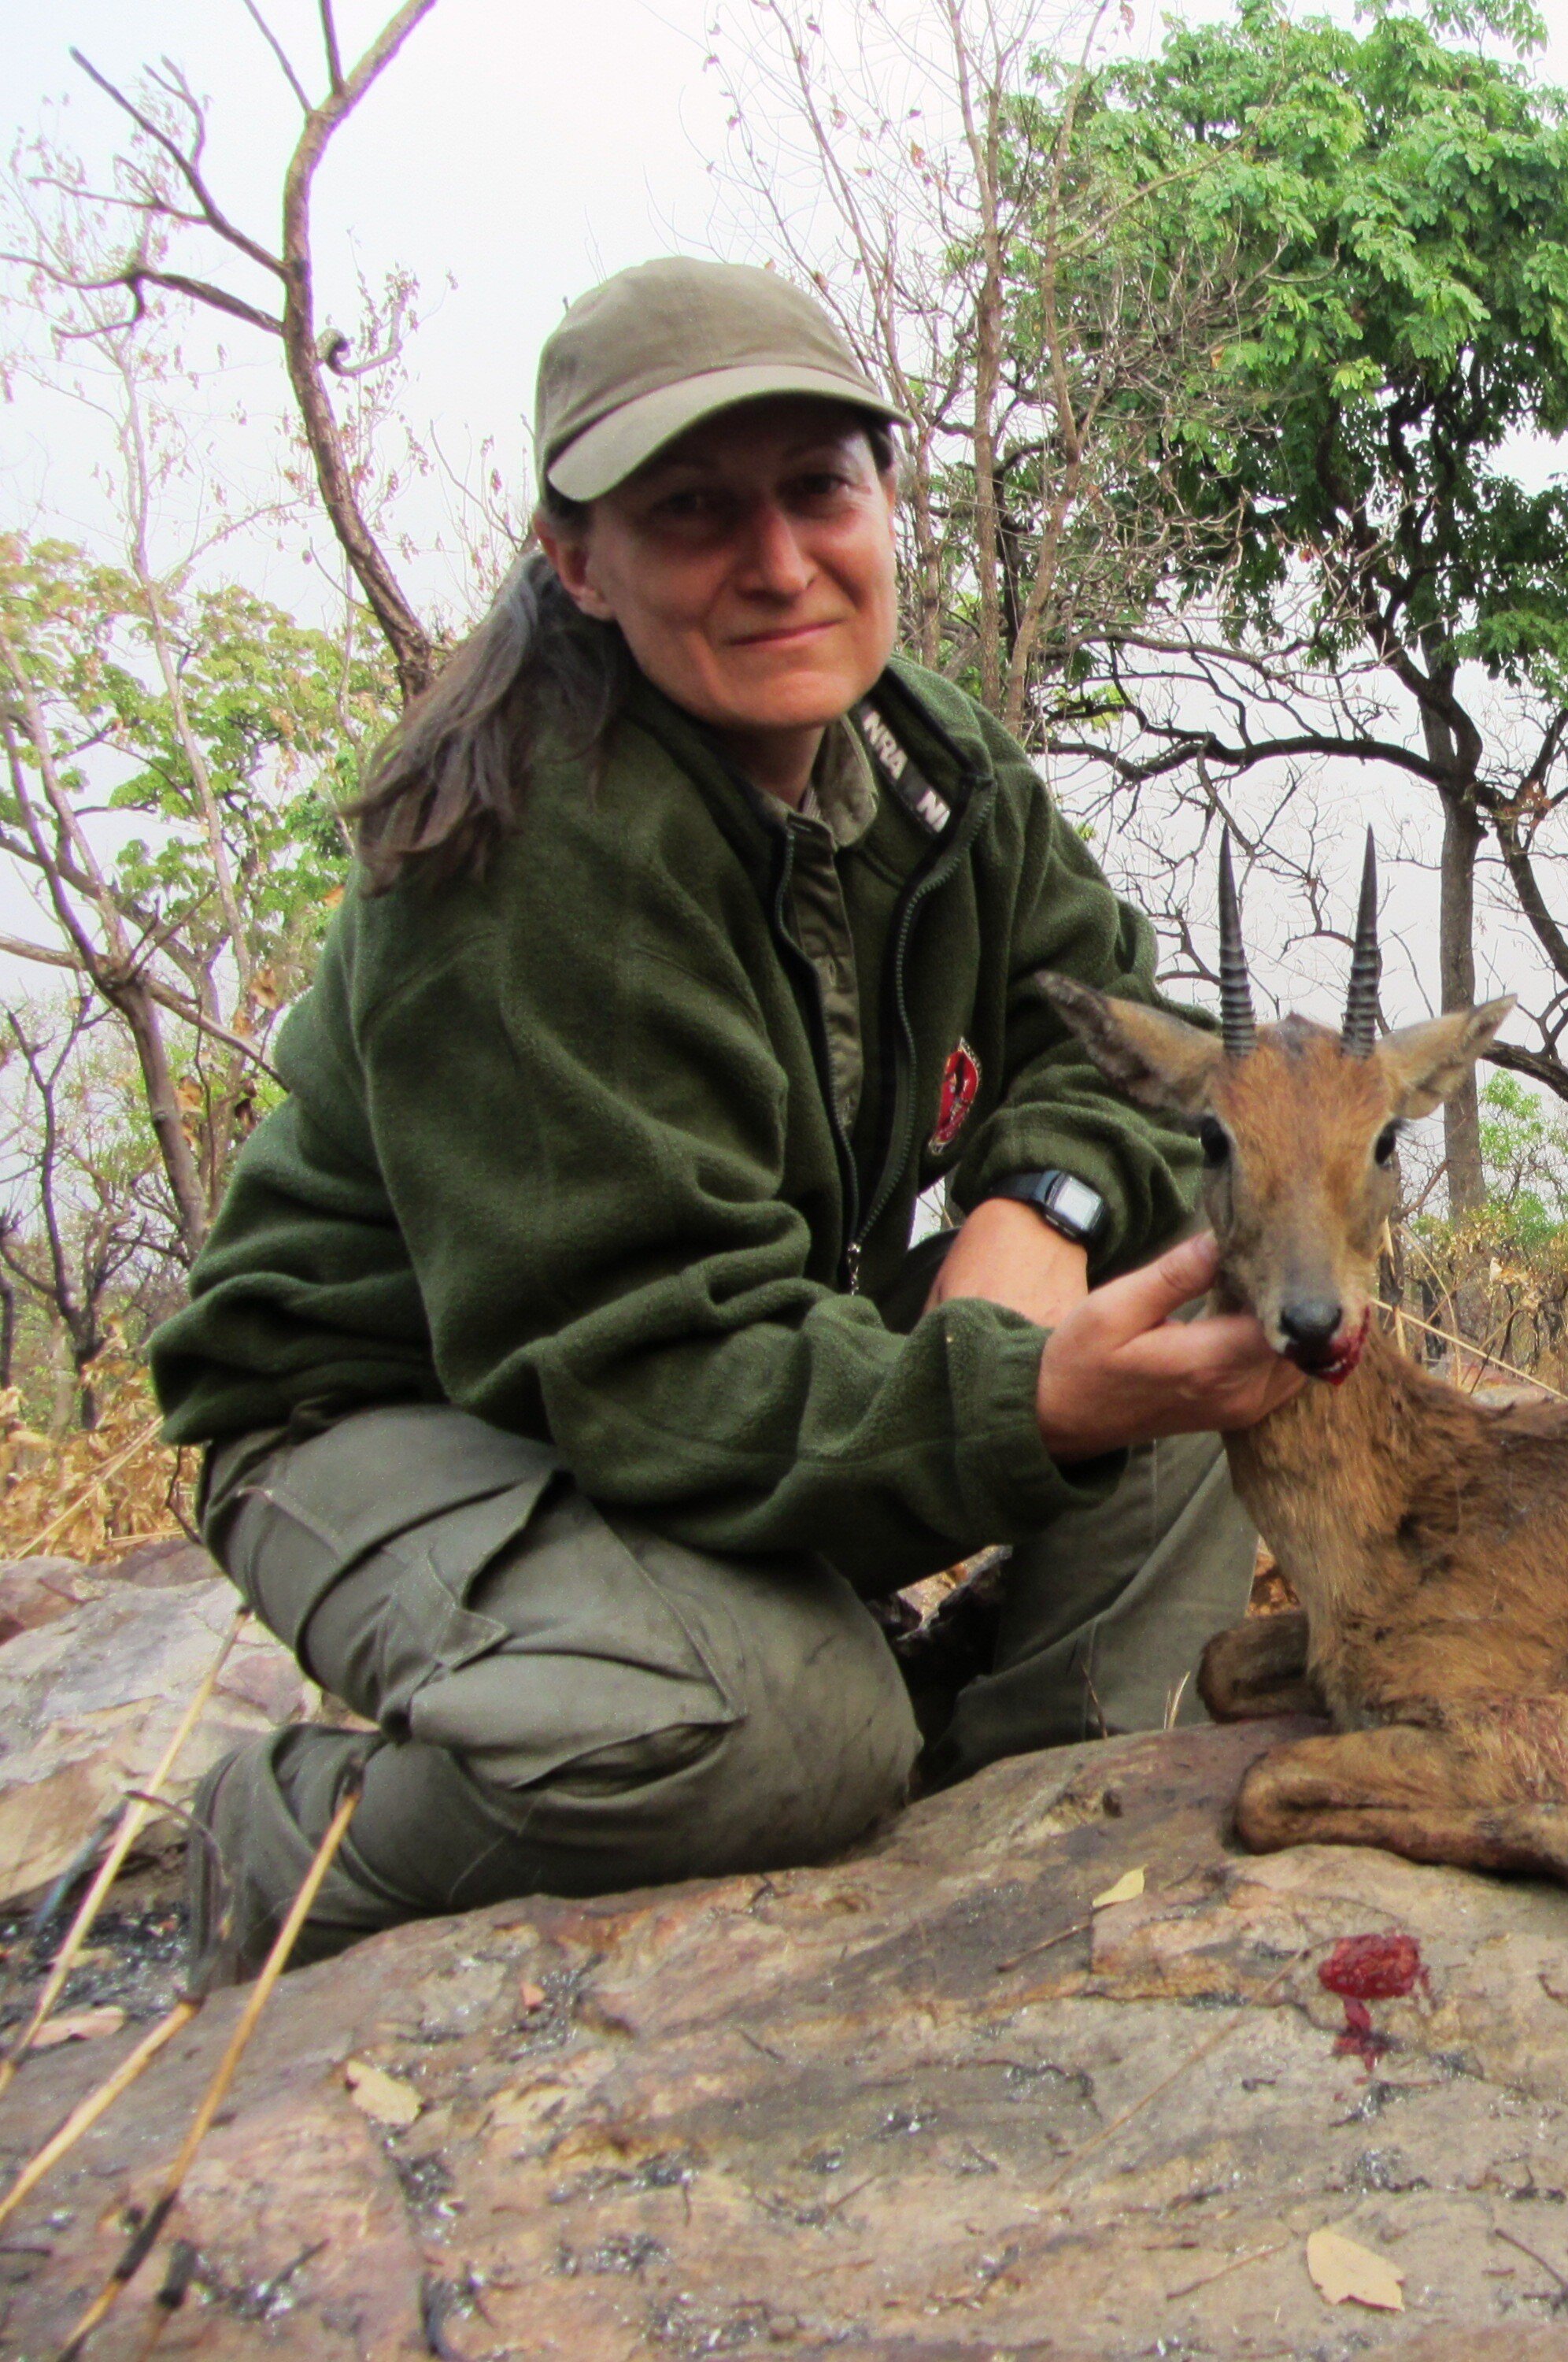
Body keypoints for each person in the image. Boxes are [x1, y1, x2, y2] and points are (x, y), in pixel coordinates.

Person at [148, 257, 1302, 1979]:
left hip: (712, 1349)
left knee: (1235, 1284)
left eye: (816, 490)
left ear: (884, 500)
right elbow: (646, 1374)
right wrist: (1019, 1401)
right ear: (574, 556)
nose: (777, 565)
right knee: (772, 1736)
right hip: (391, 1404)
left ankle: (1021, 1799)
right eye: (693, 512)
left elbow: (1144, 1044)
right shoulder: (526, 856)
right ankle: (281, 1845)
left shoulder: (925, 767)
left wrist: (1036, 1214)